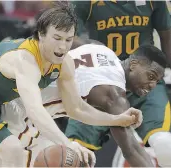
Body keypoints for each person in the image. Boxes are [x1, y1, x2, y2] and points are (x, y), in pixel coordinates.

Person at [0, 2, 141, 167]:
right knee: (12, 151)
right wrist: (67, 144)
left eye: (69, 39)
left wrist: (117, 119)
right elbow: (35, 111)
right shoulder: (25, 61)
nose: (63, 46)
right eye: (57, 38)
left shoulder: (64, 62)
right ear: (41, 34)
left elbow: (76, 108)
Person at [67, 1, 171, 167]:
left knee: (164, 142)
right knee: (73, 153)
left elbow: (167, 36)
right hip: (100, 80)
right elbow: (130, 149)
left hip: (140, 75)